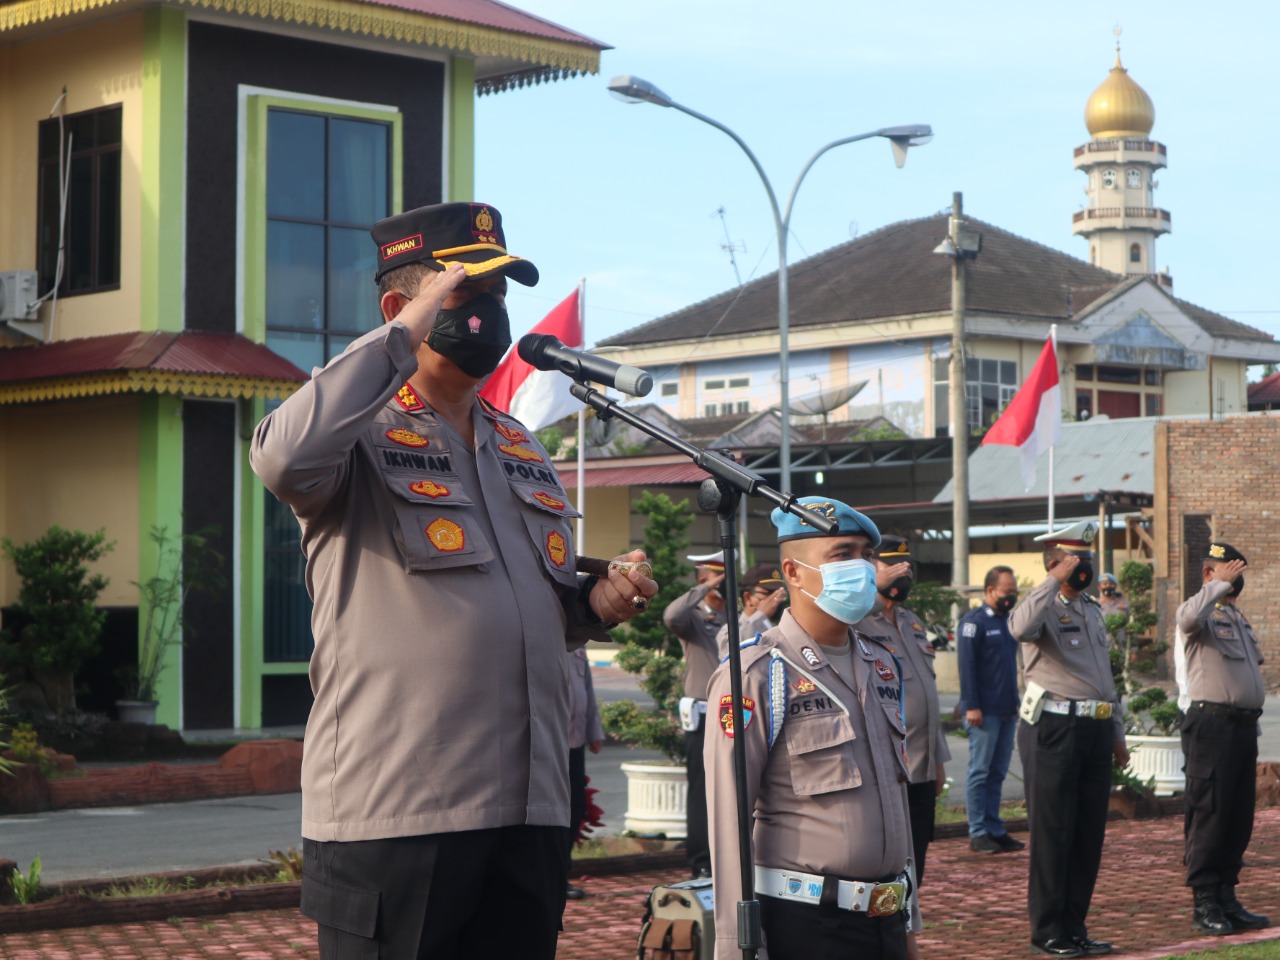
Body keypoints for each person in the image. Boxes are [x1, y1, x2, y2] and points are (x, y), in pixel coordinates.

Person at [250, 201, 657, 960]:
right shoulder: (354, 432)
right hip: (402, 812)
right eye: (466, 297)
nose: (489, 318)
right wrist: (403, 335)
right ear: (399, 309)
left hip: (528, 809)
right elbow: (280, 458)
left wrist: (592, 608)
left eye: (499, 299)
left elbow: (526, 603)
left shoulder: (518, 445)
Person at [705, 497, 920, 960]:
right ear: (795, 571)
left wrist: (910, 923)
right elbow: (729, 818)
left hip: (886, 919)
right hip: (806, 923)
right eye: (842, 555)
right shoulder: (757, 673)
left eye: (865, 554)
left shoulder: (881, 664)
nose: (861, 568)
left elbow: (896, 800)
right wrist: (736, 946)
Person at [1010, 519, 1128, 959]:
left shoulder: (1092, 610)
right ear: (1056, 564)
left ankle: (1075, 926)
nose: (1086, 568)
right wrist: (1051, 582)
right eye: (1077, 561)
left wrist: (1117, 733)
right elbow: (1018, 628)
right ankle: (1048, 931)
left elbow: (1105, 681)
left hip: (1096, 728)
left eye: (1089, 560)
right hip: (1054, 729)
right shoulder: (1039, 607)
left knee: (1086, 834)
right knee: (1054, 833)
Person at [1174, 541, 1269, 935]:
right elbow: (1186, 618)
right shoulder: (1199, 611)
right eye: (1226, 568)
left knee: (1237, 815)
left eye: (1237, 569)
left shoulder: (1236, 616)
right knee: (1210, 813)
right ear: (1208, 573)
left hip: (1242, 727)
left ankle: (1227, 894)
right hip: (1210, 725)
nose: (1235, 576)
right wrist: (1216, 586)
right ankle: (1205, 900)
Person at [854, 535, 951, 884]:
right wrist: (868, 589)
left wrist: (938, 759)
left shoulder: (912, 621)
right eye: (892, 565)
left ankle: (908, 929)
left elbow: (928, 693)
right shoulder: (858, 618)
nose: (902, 572)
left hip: (920, 765)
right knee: (888, 862)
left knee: (917, 861)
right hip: (887, 764)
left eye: (907, 565)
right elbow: (830, 616)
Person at [663, 550, 728, 878]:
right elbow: (672, 615)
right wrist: (705, 587)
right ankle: (701, 861)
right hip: (703, 712)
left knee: (732, 789)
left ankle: (726, 857)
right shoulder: (693, 619)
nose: (724, 584)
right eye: (719, 577)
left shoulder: (733, 618)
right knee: (702, 792)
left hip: (733, 713)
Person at [956, 566, 1024, 854]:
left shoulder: (1010, 622)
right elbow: (966, 667)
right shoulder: (973, 623)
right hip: (983, 711)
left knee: (998, 773)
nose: (1011, 596)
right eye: (1006, 591)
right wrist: (971, 705)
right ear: (989, 591)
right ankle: (978, 831)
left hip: (1007, 708)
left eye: (1014, 591)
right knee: (980, 772)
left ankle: (996, 828)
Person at [565, 645, 604, 901]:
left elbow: (586, 688)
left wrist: (594, 729)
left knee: (574, 809)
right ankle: (552, 877)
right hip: (549, 741)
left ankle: (561, 874)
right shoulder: (542, 632)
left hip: (575, 739)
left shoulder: (578, 639)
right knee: (553, 813)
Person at [715, 562, 788, 649]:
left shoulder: (780, 626)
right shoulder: (731, 629)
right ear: (748, 597)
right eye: (767, 593)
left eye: (779, 594)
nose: (775, 599)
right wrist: (761, 616)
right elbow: (728, 651)